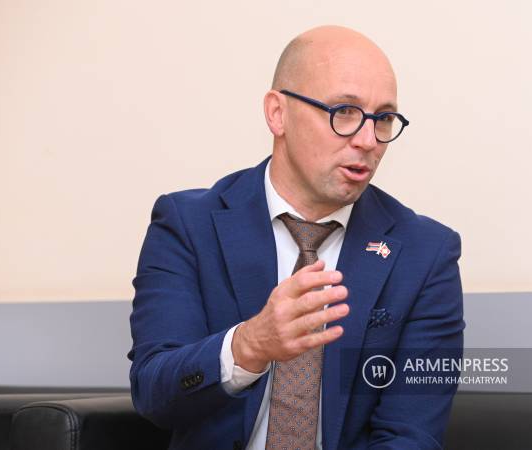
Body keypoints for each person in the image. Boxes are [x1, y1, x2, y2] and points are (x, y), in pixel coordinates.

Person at [128, 25, 465, 450]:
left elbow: (410, 436)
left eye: (383, 119)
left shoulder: (426, 254)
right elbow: (154, 392)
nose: (368, 141)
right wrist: (249, 345)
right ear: (278, 113)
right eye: (344, 111)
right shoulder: (188, 225)